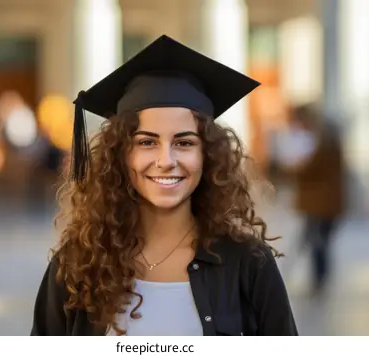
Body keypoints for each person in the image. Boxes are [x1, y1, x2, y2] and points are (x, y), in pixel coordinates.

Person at [30, 35, 297, 336]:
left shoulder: (249, 264)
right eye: (146, 142)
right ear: (120, 154)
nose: (166, 160)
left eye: (184, 142)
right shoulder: (78, 265)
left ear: (207, 155)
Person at [282, 105, 344, 294]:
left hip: (319, 201)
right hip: (325, 201)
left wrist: (291, 168)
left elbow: (309, 169)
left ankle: (318, 278)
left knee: (316, 240)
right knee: (319, 239)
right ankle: (319, 278)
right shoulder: (328, 145)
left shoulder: (323, 146)